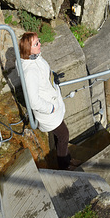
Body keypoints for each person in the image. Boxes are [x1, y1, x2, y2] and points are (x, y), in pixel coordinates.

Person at [19, 32, 72, 170]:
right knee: (64, 135)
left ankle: (67, 159)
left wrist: (53, 75)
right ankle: (64, 167)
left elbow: (44, 75)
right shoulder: (30, 72)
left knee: (60, 136)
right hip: (49, 112)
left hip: (54, 106)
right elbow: (33, 101)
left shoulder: (36, 59)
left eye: (39, 41)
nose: (40, 44)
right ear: (28, 49)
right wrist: (51, 108)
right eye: (36, 44)